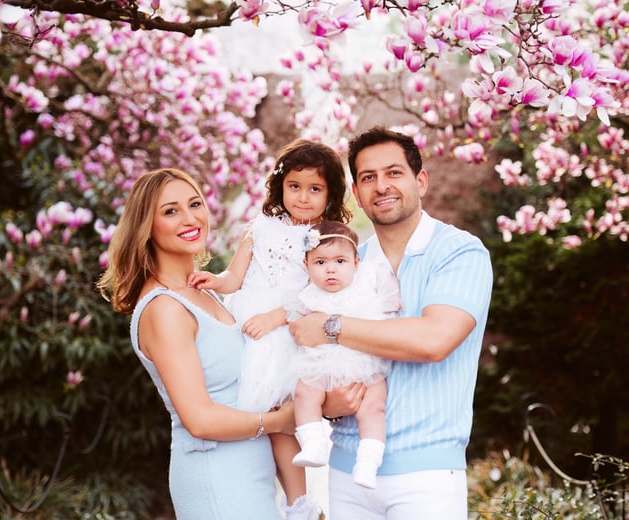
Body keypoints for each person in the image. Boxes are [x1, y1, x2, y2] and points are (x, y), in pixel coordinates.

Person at [289, 126, 493, 519]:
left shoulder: (460, 253)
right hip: (346, 472)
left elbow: (434, 340)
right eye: (368, 178)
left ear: (421, 181)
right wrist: (330, 404)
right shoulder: (346, 264)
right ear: (358, 195)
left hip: (427, 475)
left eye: (394, 173)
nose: (381, 186)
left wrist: (331, 325)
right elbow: (316, 362)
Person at [97, 168, 295, 520]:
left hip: (251, 476)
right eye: (171, 211)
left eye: (195, 204)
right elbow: (200, 419)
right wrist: (279, 421)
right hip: (216, 480)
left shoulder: (203, 292)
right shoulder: (165, 308)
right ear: (147, 227)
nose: (190, 219)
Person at [187, 139, 351, 520]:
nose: (304, 197)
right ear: (281, 187)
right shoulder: (258, 229)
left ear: (330, 194)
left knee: (280, 418)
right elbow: (235, 276)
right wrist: (216, 280)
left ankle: (300, 504)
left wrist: (275, 318)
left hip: (286, 332)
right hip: (247, 327)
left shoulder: (327, 236)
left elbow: (321, 294)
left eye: (315, 189)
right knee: (244, 412)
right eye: (295, 186)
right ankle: (252, 497)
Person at [290, 220, 400, 491]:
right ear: (306, 266)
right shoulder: (307, 297)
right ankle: (313, 443)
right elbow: (296, 327)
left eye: (340, 261)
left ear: (356, 262)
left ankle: (368, 462)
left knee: (373, 408)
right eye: (320, 262)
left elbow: (388, 314)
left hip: (366, 362)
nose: (330, 269)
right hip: (323, 363)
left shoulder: (368, 284)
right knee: (304, 393)